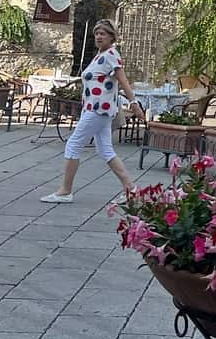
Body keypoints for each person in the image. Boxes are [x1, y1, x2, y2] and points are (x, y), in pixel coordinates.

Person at [40, 19, 146, 203]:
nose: (98, 36)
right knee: (105, 149)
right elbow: (95, 78)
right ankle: (131, 190)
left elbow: (123, 81)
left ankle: (65, 191)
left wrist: (134, 103)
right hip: (99, 108)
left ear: (111, 37)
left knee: (73, 144)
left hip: (98, 109)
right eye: (97, 33)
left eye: (103, 33)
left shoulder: (111, 55)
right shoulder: (100, 55)